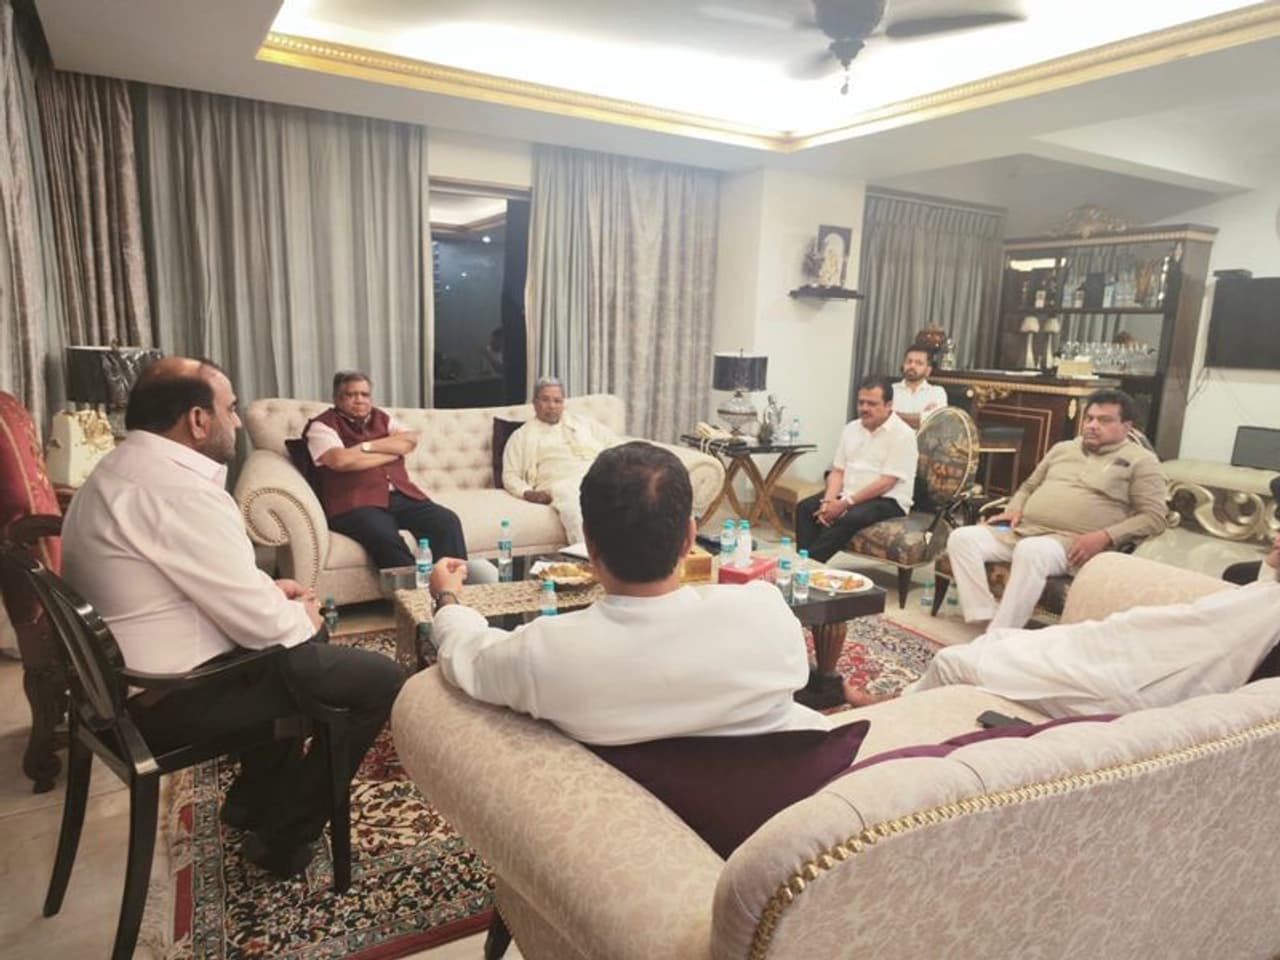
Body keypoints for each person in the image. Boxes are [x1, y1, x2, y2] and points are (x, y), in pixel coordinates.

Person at [61, 358, 404, 878]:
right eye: (231, 409)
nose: (238, 421)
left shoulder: (119, 467)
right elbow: (268, 628)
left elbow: (191, 575)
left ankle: (254, 799)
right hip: (168, 700)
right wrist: (299, 611)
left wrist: (268, 591)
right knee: (375, 677)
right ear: (198, 420)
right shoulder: (179, 490)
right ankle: (286, 834)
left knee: (302, 646)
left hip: (126, 685)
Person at [430, 441, 828, 745]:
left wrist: (447, 598)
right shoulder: (766, 612)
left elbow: (463, 653)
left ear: (588, 543)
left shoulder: (545, 652)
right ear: (690, 538)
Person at [847, 536, 1280, 717]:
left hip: (1127, 678)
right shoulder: (1263, 587)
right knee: (1004, 639)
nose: (1273, 537)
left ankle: (884, 713)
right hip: (1121, 644)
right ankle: (905, 698)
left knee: (954, 660)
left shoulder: (1267, 611)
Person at [945, 388, 1166, 630]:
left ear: (1126, 426)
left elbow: (1154, 517)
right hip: (1024, 530)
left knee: (1032, 550)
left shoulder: (1141, 461)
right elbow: (1029, 486)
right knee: (961, 538)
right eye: (1089, 418)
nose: (1093, 426)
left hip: (1072, 543)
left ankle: (1001, 632)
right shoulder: (1063, 448)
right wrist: (1014, 508)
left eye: (1104, 420)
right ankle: (984, 613)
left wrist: (1104, 536)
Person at [305, 370, 467, 569]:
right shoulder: (322, 426)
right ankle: (412, 588)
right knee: (384, 537)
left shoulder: (381, 417)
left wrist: (366, 447)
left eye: (364, 394)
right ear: (337, 398)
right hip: (355, 503)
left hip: (400, 496)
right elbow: (341, 460)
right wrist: (391, 452)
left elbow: (409, 441)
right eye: (351, 394)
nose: (359, 400)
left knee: (446, 521)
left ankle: (454, 584)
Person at [795, 377, 918, 564]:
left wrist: (844, 504)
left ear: (888, 405)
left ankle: (806, 566)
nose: (864, 408)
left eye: (872, 404)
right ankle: (808, 566)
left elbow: (886, 483)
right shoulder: (851, 429)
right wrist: (828, 501)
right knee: (805, 508)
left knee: (850, 517)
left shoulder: (903, 434)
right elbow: (838, 471)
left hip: (887, 500)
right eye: (861, 402)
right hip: (850, 493)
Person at [502, 377, 617, 545]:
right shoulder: (521, 436)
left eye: (557, 401)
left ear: (563, 404)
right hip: (561, 483)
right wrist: (527, 492)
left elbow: (615, 444)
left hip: (597, 474)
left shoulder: (583, 423)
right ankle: (585, 557)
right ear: (535, 403)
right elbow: (510, 475)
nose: (552, 406)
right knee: (575, 508)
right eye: (545, 400)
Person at [892, 345, 949, 430]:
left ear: (928, 370)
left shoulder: (937, 392)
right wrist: (922, 417)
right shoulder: (891, 389)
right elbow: (880, 419)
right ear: (903, 365)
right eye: (909, 361)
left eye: (919, 363)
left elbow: (935, 422)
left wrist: (893, 416)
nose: (912, 366)